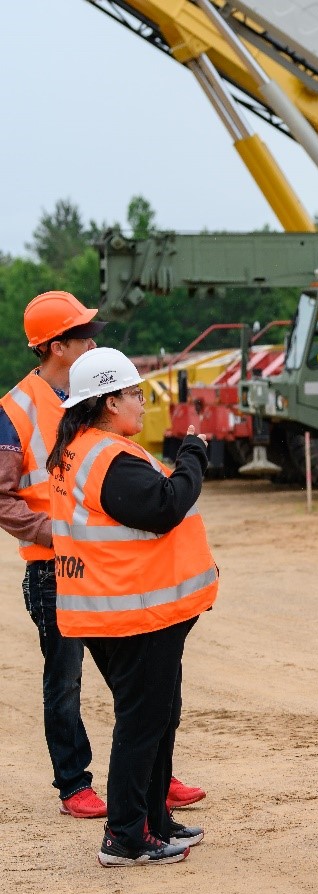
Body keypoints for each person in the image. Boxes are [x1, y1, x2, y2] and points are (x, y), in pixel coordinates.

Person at [1, 291, 205, 821]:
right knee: (65, 683)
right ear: (55, 347)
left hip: (106, 568)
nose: (93, 340)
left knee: (139, 690)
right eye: (82, 334)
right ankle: (74, 785)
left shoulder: (96, 396)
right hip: (54, 567)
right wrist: (56, 531)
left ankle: (154, 780)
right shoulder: (14, 410)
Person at [47, 347, 217, 866]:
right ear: (108, 401)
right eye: (135, 394)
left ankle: (152, 821)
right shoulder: (107, 457)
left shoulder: (88, 447)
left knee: (158, 715)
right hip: (131, 613)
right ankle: (125, 836)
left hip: (124, 608)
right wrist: (193, 455)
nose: (143, 403)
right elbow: (163, 506)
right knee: (143, 722)